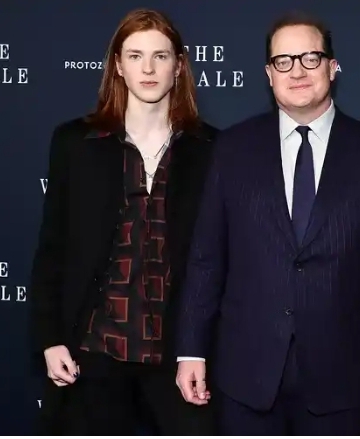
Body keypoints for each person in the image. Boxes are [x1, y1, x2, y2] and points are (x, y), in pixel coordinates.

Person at [174, 12, 360, 435]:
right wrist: (191, 350)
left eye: (310, 58)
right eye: (284, 61)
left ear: (332, 66)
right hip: (247, 375)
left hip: (347, 377)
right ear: (268, 74)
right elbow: (207, 257)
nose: (297, 71)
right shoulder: (232, 149)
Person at [29, 8, 218, 435]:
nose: (148, 68)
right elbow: (52, 248)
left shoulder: (212, 149)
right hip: (93, 353)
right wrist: (50, 338)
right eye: (135, 55)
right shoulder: (76, 143)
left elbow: (220, 262)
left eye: (160, 56)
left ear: (180, 65)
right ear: (117, 64)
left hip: (179, 360)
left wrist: (204, 349)